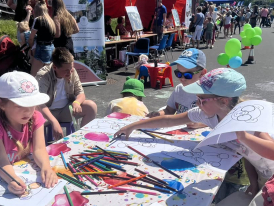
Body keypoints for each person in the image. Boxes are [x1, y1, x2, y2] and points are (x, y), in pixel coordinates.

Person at [115, 68, 274, 193]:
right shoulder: (209, 114)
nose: (197, 104)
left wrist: (244, 136)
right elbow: (169, 120)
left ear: (223, 101)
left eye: (201, 100)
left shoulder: (249, 120)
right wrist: (133, 126)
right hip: (262, 177)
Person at [0, 71, 58, 195]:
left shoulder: (36, 116)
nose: (28, 111)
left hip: (24, 169)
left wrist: (46, 167)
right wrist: (12, 179)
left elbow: (39, 149)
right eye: (20, 105)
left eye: (32, 104)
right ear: (2, 104)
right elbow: (0, 160)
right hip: (2, 177)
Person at [36, 47, 97, 140]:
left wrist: (77, 102)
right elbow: (39, 103)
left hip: (65, 110)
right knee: (28, 120)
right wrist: (54, 121)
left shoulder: (72, 71)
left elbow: (81, 93)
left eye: (71, 68)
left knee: (91, 106)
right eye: (66, 70)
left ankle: (83, 139)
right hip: (47, 113)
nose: (69, 73)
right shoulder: (43, 75)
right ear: (55, 67)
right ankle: (40, 148)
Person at [146, 48, 207, 129]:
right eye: (178, 73)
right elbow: (169, 110)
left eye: (187, 75)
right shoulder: (179, 89)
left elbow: (219, 119)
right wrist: (158, 114)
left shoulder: (209, 94)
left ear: (202, 73)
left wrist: (200, 124)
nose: (182, 78)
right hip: (178, 134)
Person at [29, 0, 56, 77]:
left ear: (36, 10)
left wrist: (30, 46)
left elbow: (31, 37)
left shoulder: (37, 20)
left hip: (42, 48)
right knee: (49, 75)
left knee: (34, 74)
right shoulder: (51, 20)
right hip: (51, 48)